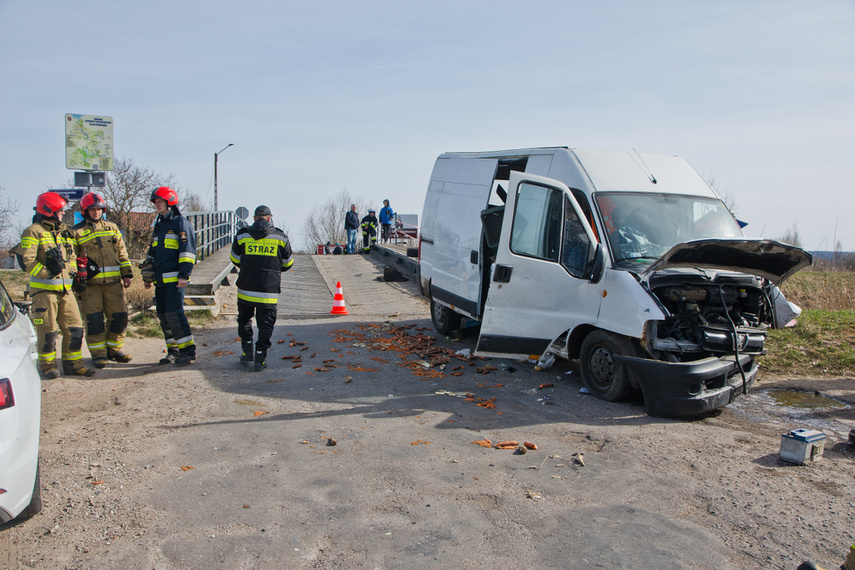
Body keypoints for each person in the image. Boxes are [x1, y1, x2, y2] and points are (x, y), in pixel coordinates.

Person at [19, 192, 94, 378]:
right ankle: (47, 367)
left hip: (66, 291)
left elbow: (72, 257)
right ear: (49, 210)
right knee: (48, 332)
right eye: (60, 211)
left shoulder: (64, 232)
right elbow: (27, 261)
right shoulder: (33, 231)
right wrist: (49, 273)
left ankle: (73, 365)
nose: (62, 214)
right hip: (44, 292)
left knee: (75, 329)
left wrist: (77, 275)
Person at [71, 192, 134, 368]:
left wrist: (127, 274)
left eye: (99, 209)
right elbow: (72, 259)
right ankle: (98, 354)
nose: (96, 213)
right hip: (90, 287)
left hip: (114, 284)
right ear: (85, 211)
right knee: (95, 321)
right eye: (92, 209)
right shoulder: (76, 232)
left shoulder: (112, 228)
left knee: (119, 318)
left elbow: (122, 252)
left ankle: (114, 350)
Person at [229, 205, 293, 371]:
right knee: (266, 324)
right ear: (270, 218)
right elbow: (287, 264)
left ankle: (247, 350)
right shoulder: (280, 237)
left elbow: (235, 259)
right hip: (268, 291)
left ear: (255, 218)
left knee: (244, 319)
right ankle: (260, 357)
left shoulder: (242, 234)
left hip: (246, 288)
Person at [143, 186, 197, 366]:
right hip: (160, 280)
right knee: (163, 315)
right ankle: (173, 351)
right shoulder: (159, 225)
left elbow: (188, 252)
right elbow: (153, 251)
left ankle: (188, 351)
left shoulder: (180, 223)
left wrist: (184, 275)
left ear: (169, 202)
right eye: (156, 202)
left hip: (175, 280)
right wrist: (148, 275)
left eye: (159, 202)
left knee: (175, 314)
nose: (157, 205)